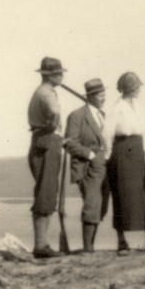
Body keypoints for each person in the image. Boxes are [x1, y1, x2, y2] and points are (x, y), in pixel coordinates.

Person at [101, 72, 145, 253]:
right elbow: (107, 134)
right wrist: (108, 157)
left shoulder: (138, 106)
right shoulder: (117, 108)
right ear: (129, 88)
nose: (139, 89)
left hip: (137, 150)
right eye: (136, 86)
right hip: (122, 152)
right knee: (122, 196)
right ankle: (121, 241)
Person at [64, 78, 111, 253]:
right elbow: (69, 143)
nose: (104, 97)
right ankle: (88, 248)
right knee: (92, 204)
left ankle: (90, 246)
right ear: (90, 96)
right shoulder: (77, 116)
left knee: (102, 207)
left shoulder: (103, 116)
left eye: (104, 94)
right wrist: (90, 155)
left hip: (105, 166)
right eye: (100, 94)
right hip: (87, 167)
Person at [27, 56, 66, 258]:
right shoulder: (48, 94)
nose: (62, 76)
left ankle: (42, 244)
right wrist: (55, 130)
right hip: (48, 141)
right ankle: (41, 246)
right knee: (47, 191)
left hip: (41, 140)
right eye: (59, 73)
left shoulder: (41, 91)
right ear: (51, 76)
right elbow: (54, 115)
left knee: (46, 190)